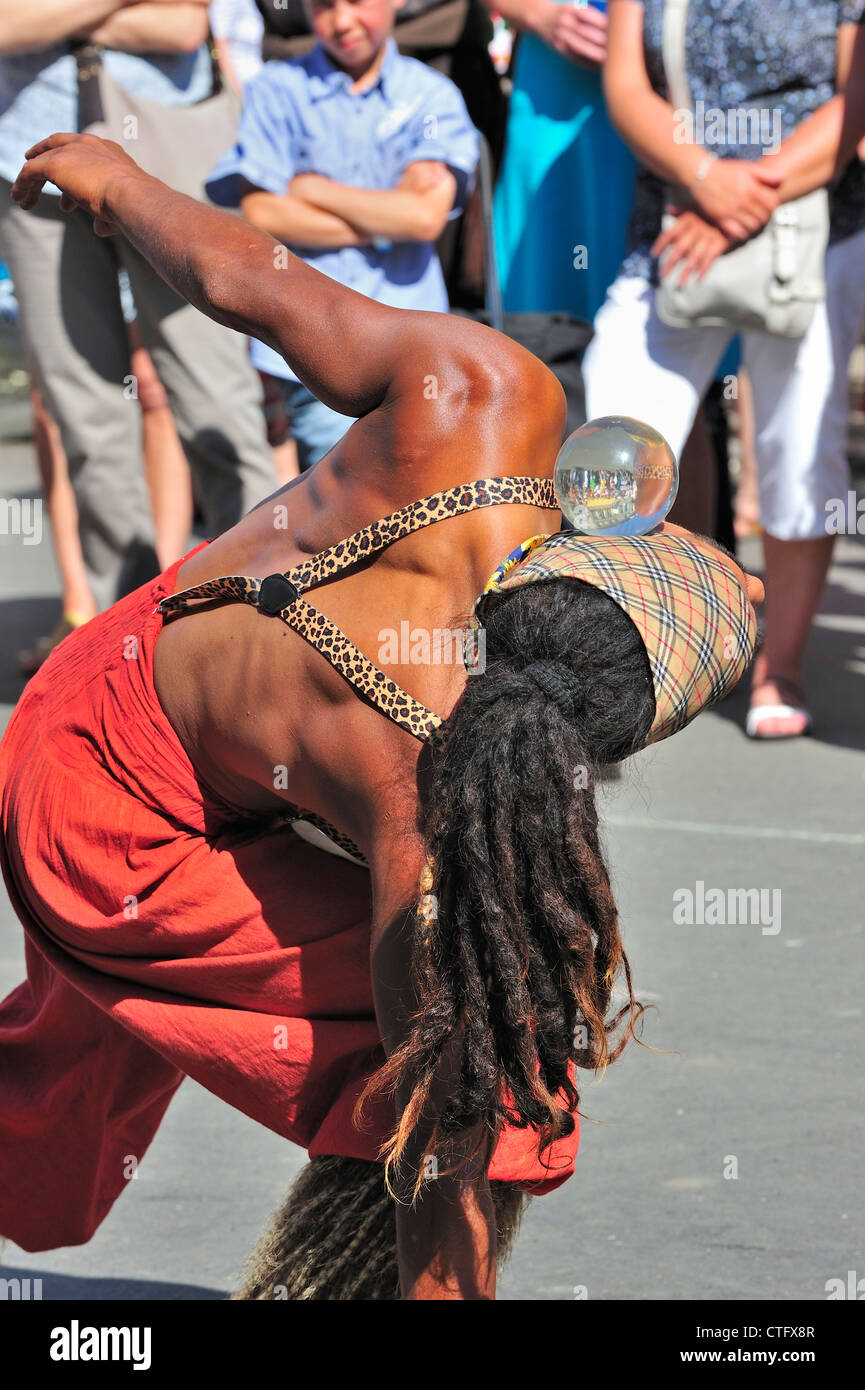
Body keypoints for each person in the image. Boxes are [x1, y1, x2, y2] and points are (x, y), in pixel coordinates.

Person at [0, 130, 764, 1300]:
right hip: (102, 820)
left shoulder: (485, 394)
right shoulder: (438, 804)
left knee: (52, 1098)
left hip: (113, 665)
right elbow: (445, 1106)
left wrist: (124, 183)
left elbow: (246, 280)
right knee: (503, 1054)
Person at [582, 0, 865, 739]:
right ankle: (627, 652)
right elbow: (626, 88)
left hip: (811, 225)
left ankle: (781, 664)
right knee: (612, 433)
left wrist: (743, 198)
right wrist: (705, 180)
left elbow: (852, 100)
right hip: (675, 223)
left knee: (799, 446)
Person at [0, 0, 277, 611]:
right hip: (27, 158)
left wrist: (47, 14)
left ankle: (263, 608)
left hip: (163, 152)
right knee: (86, 418)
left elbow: (181, 24)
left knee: (215, 396)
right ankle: (122, 633)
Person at [205, 0, 480, 472]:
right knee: (343, 490)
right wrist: (387, 218)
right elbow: (261, 209)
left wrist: (313, 188)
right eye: (324, 6)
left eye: (356, 1)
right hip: (310, 337)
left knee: (420, 485)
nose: (342, 21)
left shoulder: (431, 94)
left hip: (413, 334)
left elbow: (424, 220)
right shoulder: (276, 89)